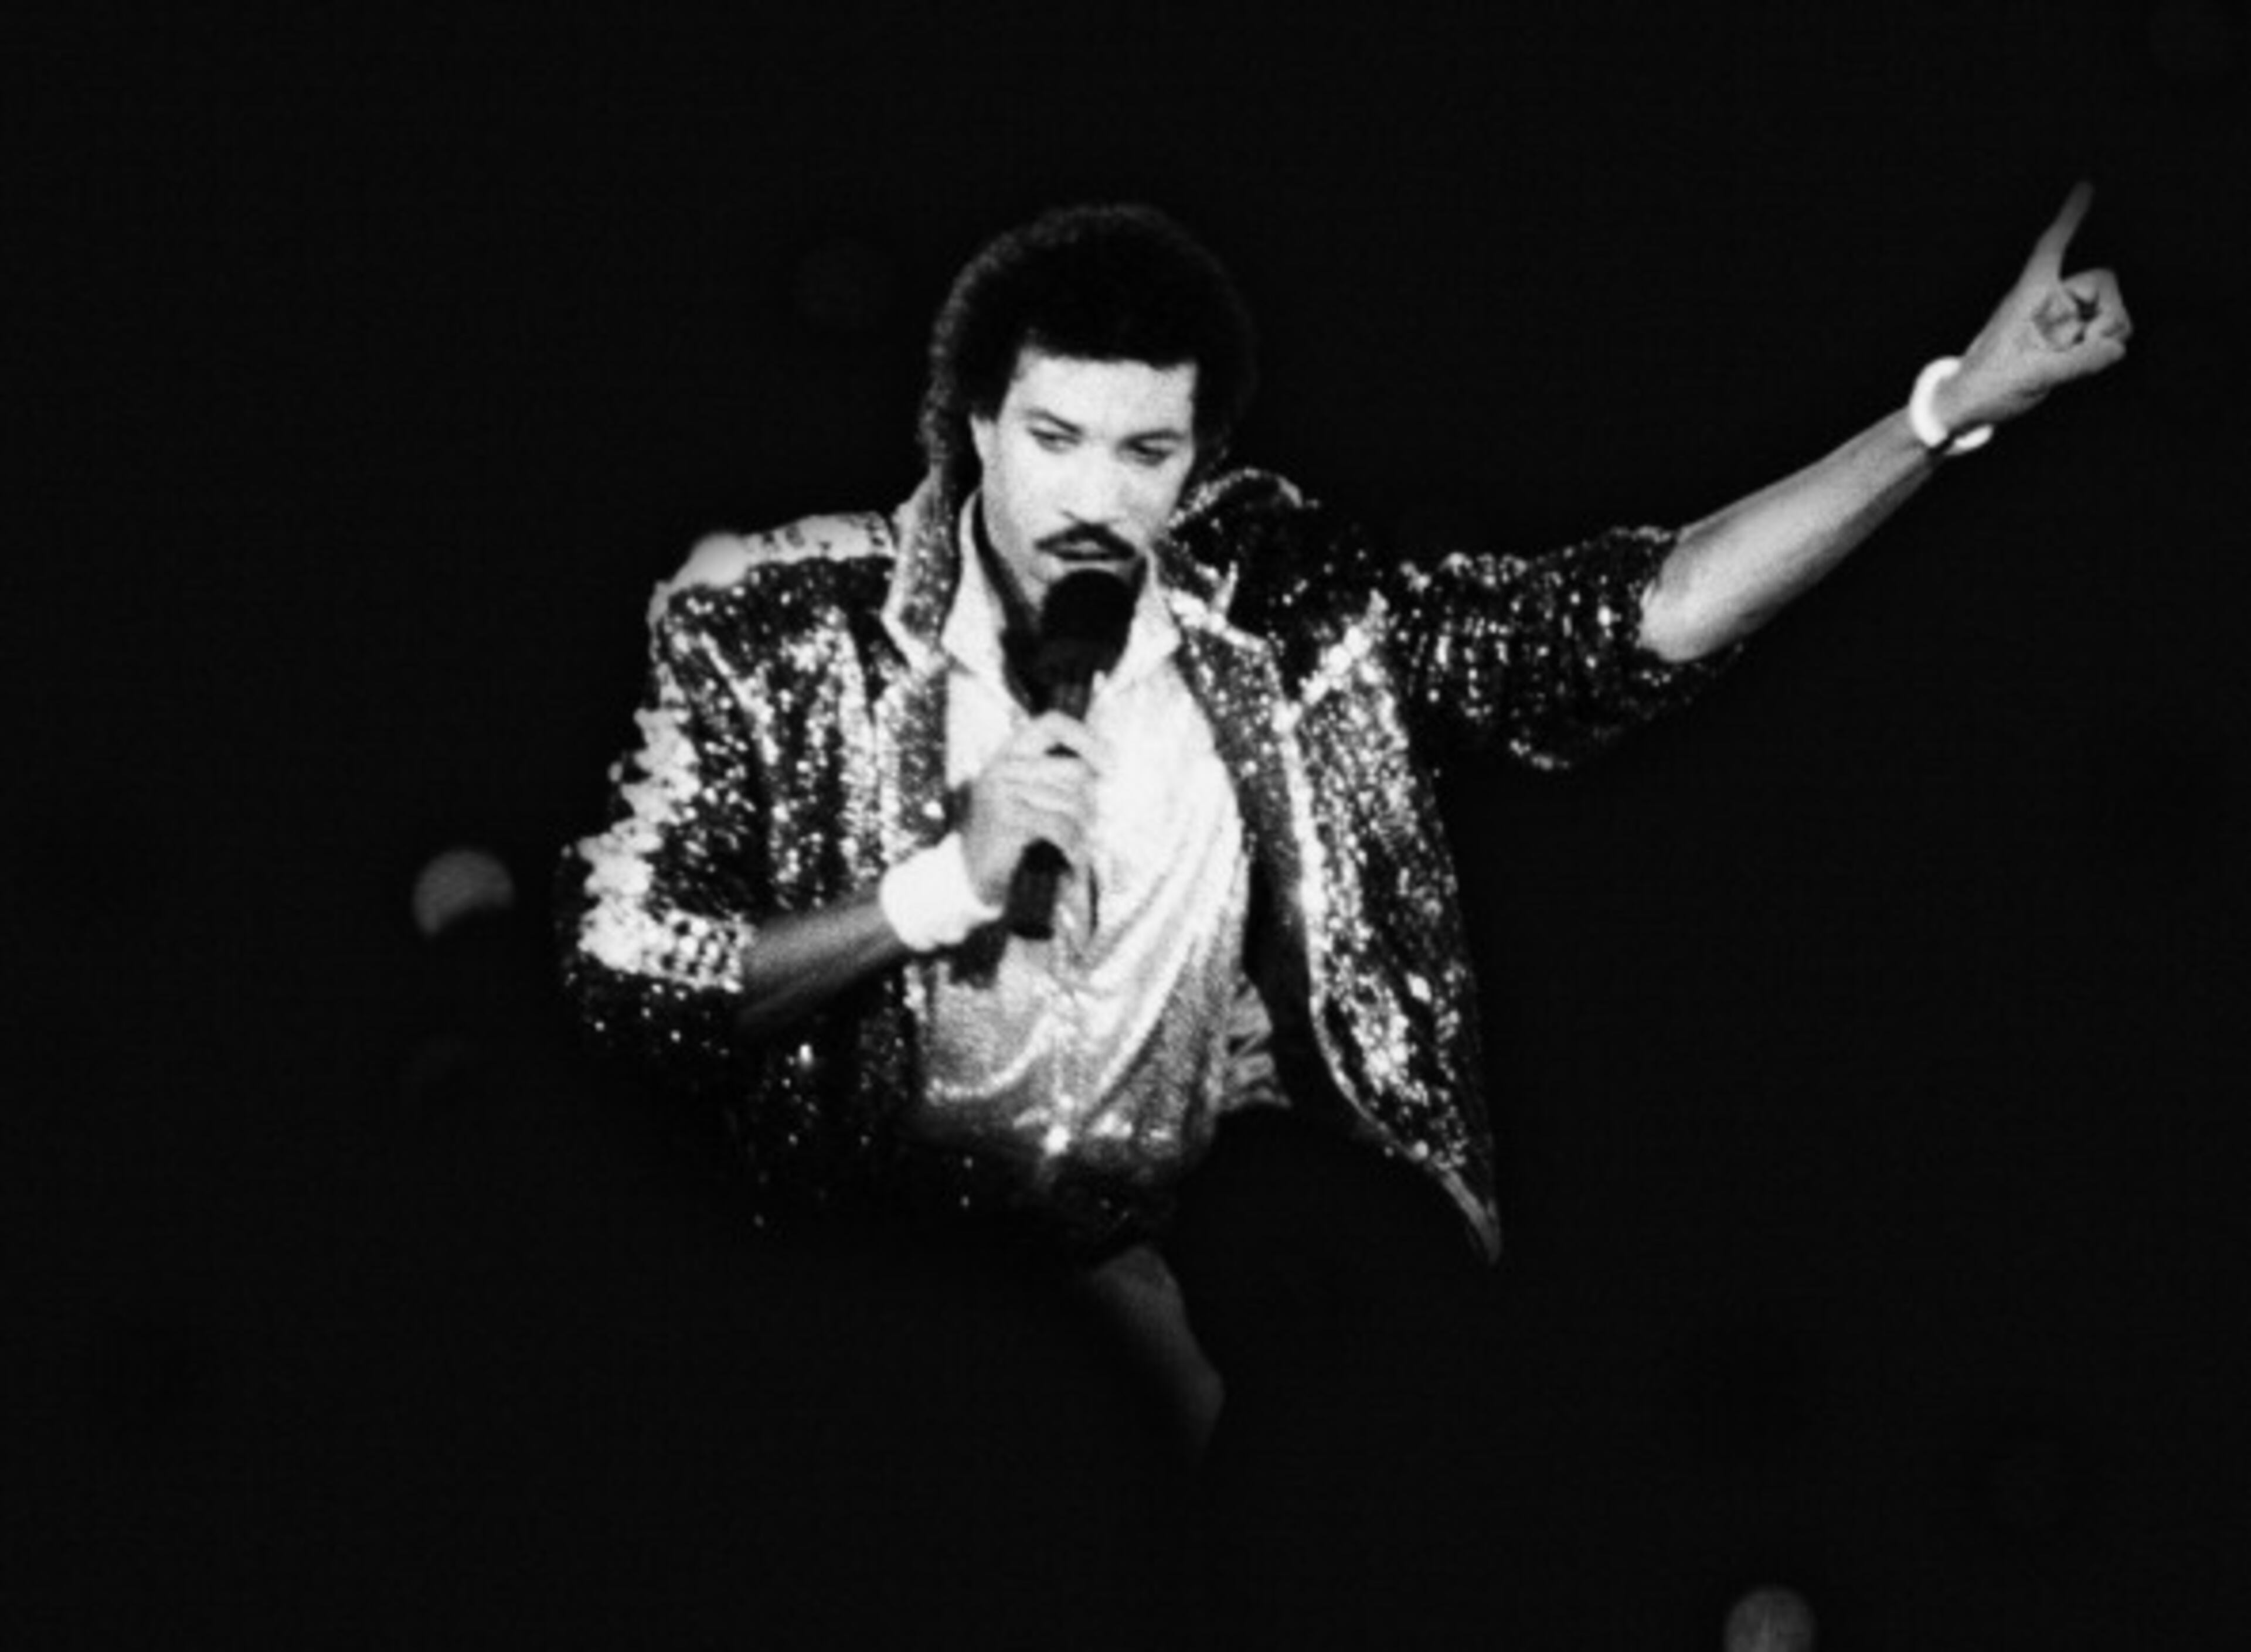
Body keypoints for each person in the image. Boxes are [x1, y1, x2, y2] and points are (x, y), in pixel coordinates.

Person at [559, 195, 2127, 1639]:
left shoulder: (1285, 606)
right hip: (897, 1324)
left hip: (1215, 1305)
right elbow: (631, 979)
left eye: (1147, 453)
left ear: (1199, 460)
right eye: (1054, 438)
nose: (1096, 499)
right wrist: (934, 892)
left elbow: (1621, 621)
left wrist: (1944, 413)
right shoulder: (783, 624)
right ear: (974, 426)